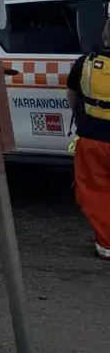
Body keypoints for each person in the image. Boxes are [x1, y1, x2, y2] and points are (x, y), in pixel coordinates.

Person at [67, 17, 110, 260]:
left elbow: (72, 95)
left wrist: (82, 117)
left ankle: (106, 244)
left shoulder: (85, 63)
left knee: (97, 192)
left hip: (92, 139)